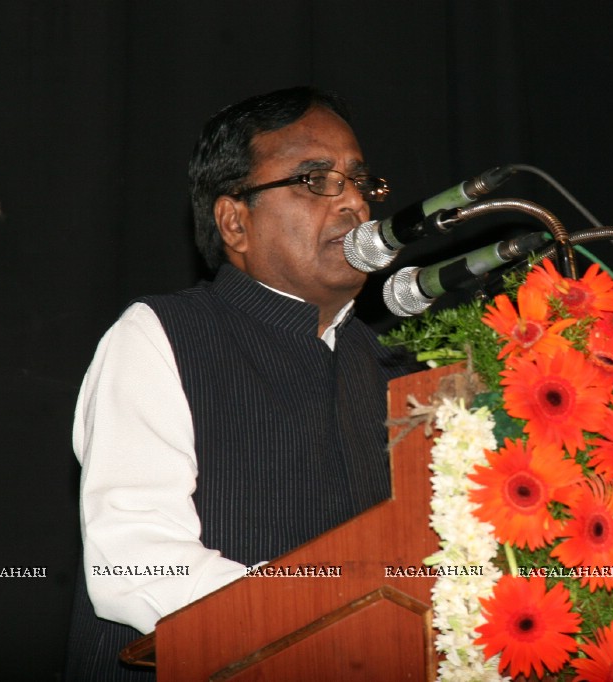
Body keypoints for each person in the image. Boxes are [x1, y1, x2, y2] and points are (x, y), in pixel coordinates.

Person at [64, 87, 415, 680]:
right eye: (314, 179)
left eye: (359, 181)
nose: (354, 202)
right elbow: (137, 563)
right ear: (234, 221)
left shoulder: (395, 369)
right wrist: (336, 620)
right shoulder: (160, 336)